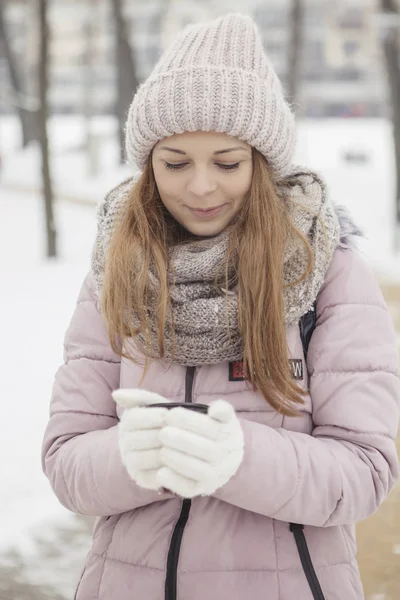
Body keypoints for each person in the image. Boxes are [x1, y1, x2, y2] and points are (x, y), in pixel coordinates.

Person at [42, 13, 400, 600]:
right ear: (148, 165)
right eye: (175, 163)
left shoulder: (326, 271)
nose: (201, 187)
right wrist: (130, 457)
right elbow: (66, 461)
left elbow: (363, 473)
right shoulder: (117, 274)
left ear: (262, 163)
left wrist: (239, 458)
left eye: (227, 163)